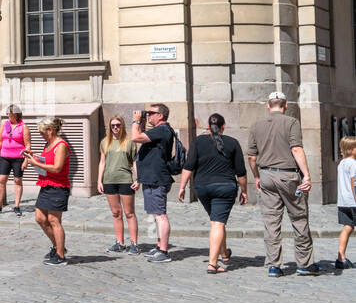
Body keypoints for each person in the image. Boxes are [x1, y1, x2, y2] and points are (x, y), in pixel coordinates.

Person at [245, 91, 317, 277]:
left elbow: (252, 156)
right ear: (285, 106)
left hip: (267, 175)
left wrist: (257, 176)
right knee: (299, 219)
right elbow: (296, 148)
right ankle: (304, 264)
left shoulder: (256, 125)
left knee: (271, 223)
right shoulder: (291, 122)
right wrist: (307, 176)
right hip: (288, 176)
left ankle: (274, 266)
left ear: (268, 106)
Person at [177, 113, 248, 274]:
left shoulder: (198, 142)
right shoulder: (232, 143)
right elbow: (241, 173)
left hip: (202, 188)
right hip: (225, 187)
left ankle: (224, 253)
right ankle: (212, 264)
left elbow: (188, 166)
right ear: (224, 126)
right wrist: (244, 191)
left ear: (207, 127)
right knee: (217, 223)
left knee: (217, 220)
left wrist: (182, 187)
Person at [131, 102, 176, 263]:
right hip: (151, 178)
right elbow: (142, 137)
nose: (148, 115)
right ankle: (159, 246)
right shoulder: (158, 131)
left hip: (157, 178)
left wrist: (136, 121)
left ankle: (164, 251)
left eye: (151, 113)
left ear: (161, 115)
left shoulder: (162, 130)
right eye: (147, 113)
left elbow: (135, 137)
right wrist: (141, 123)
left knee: (161, 215)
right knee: (156, 215)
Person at [24, 116, 71, 265]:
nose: (41, 135)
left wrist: (36, 163)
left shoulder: (61, 145)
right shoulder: (48, 144)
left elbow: (57, 168)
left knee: (54, 220)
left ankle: (61, 255)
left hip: (58, 186)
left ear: (50, 130)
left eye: (42, 132)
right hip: (46, 185)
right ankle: (58, 246)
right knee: (40, 218)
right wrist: (33, 157)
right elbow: (46, 162)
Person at [97, 114, 140, 254]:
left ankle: (134, 244)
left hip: (125, 180)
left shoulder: (129, 142)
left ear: (122, 126)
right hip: (109, 180)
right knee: (116, 213)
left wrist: (137, 179)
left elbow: (135, 162)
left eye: (118, 125)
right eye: (113, 125)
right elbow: (102, 163)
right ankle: (120, 242)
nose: (115, 127)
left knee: (129, 213)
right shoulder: (105, 142)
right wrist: (99, 180)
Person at [0, 103, 28, 216]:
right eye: (8, 114)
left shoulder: (23, 127)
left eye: (11, 115)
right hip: (4, 156)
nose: (9, 117)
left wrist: (26, 160)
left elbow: (28, 145)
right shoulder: (5, 124)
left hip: (18, 158)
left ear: (17, 115)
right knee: (1, 179)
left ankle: (16, 206)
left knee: (17, 181)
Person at [336, 135, 356, 271]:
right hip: (353, 202)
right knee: (349, 227)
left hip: (343, 202)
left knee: (347, 227)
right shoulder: (353, 164)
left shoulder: (342, 163)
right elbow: (354, 183)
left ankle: (341, 257)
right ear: (351, 149)